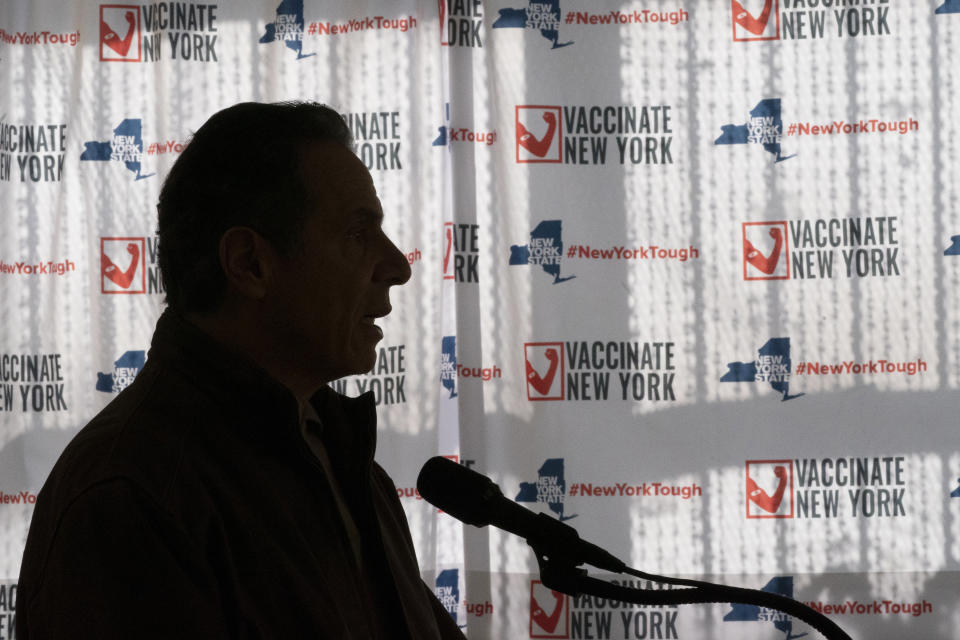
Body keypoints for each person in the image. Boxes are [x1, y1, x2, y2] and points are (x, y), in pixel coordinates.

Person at [18, 102, 466, 639]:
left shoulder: (343, 461)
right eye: (356, 233)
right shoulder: (130, 494)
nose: (398, 266)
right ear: (250, 264)